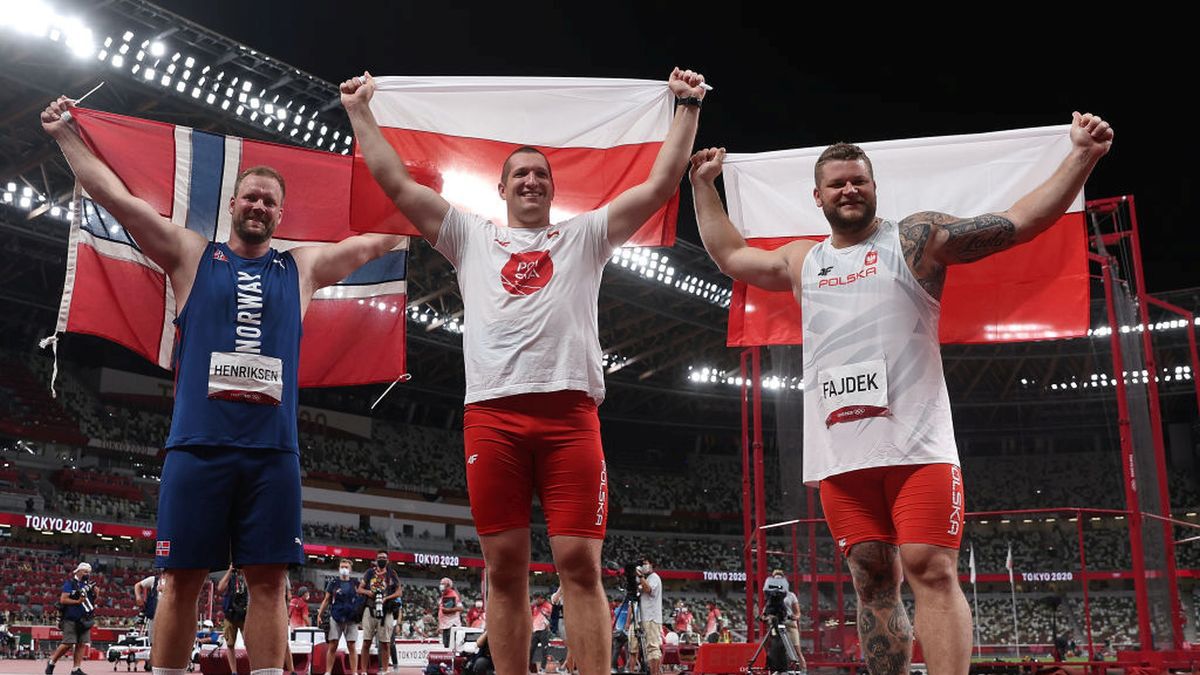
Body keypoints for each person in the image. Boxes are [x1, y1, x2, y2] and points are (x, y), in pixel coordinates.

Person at [689, 112, 1114, 675]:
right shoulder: (802, 260)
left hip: (918, 447)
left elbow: (1016, 222)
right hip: (841, 454)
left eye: (858, 180)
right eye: (837, 182)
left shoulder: (915, 239)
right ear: (817, 196)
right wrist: (701, 185)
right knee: (871, 578)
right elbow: (730, 256)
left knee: (930, 568)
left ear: (873, 187)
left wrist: (1082, 156)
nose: (848, 189)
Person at [341, 66, 706, 675]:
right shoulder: (468, 235)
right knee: (503, 569)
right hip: (494, 416)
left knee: (581, 568)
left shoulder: (585, 235)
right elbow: (396, 183)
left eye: (541, 174)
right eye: (520, 174)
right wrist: (359, 112)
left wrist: (688, 106)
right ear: (503, 189)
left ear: (552, 191)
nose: (532, 180)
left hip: (570, 418)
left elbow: (661, 182)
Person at [41, 95, 403, 675]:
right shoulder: (190, 255)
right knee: (180, 579)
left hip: (271, 454)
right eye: (252, 197)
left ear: (280, 215)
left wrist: (422, 188)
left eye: (270, 202)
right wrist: (66, 136)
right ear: (234, 203)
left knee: (269, 581)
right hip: (198, 447)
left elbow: (380, 240)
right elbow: (116, 200)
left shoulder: (302, 268)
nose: (259, 207)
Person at [45, 562, 98, 675]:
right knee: (68, 643)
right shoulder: (70, 583)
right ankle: (51, 662)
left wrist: (96, 594)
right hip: (70, 617)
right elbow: (63, 600)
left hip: (85, 618)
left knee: (81, 643)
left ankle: (76, 669)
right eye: (85, 572)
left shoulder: (88, 585)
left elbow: (91, 601)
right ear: (78, 571)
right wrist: (77, 601)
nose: (87, 574)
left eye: (89, 572)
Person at [357, 551, 401, 674]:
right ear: (376, 560)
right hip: (370, 608)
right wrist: (368, 593)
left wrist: (387, 597)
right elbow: (360, 589)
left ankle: (385, 670)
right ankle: (364, 671)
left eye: (384, 558)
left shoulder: (392, 574)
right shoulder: (369, 573)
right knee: (366, 641)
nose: (382, 560)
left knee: (385, 643)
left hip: (386, 610)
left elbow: (399, 592)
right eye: (380, 558)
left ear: (388, 561)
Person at [317, 560, 361, 675]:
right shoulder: (334, 583)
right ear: (339, 568)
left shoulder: (356, 583)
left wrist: (360, 616)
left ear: (350, 569)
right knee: (333, 645)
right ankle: (328, 672)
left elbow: (361, 600)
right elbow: (326, 600)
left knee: (351, 646)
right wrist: (319, 614)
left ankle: (354, 672)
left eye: (346, 567)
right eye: (342, 566)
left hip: (351, 618)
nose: (344, 569)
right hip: (336, 617)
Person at [628, 559, 662, 675]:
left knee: (653, 648)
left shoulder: (654, 577)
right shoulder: (646, 579)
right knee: (641, 649)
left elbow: (648, 589)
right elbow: (638, 592)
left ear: (652, 564)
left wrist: (640, 576)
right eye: (642, 564)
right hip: (643, 617)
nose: (643, 566)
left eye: (646, 563)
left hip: (652, 618)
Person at [217, 566, 249, 675]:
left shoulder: (248, 573)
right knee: (230, 644)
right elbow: (220, 588)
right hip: (230, 614)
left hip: (245, 615)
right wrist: (230, 570)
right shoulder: (231, 576)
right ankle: (234, 672)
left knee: (249, 643)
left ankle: (253, 669)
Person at [133, 574, 163, 639]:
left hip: (169, 616)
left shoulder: (176, 582)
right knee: (153, 640)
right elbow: (138, 585)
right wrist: (138, 597)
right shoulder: (154, 580)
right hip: (154, 615)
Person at [436, 578, 463, 648]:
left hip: (451, 625)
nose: (441, 585)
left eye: (443, 584)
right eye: (441, 583)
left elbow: (460, 608)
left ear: (448, 586)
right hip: (445, 626)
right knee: (446, 646)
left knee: (449, 646)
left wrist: (448, 610)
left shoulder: (453, 595)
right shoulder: (444, 595)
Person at [529, 594, 552, 672]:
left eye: (538, 599)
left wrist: (538, 607)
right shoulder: (534, 606)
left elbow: (547, 613)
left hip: (544, 631)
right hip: (535, 631)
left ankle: (542, 668)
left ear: (542, 599)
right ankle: (527, 667)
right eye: (535, 599)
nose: (536, 600)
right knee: (531, 650)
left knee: (544, 651)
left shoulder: (547, 605)